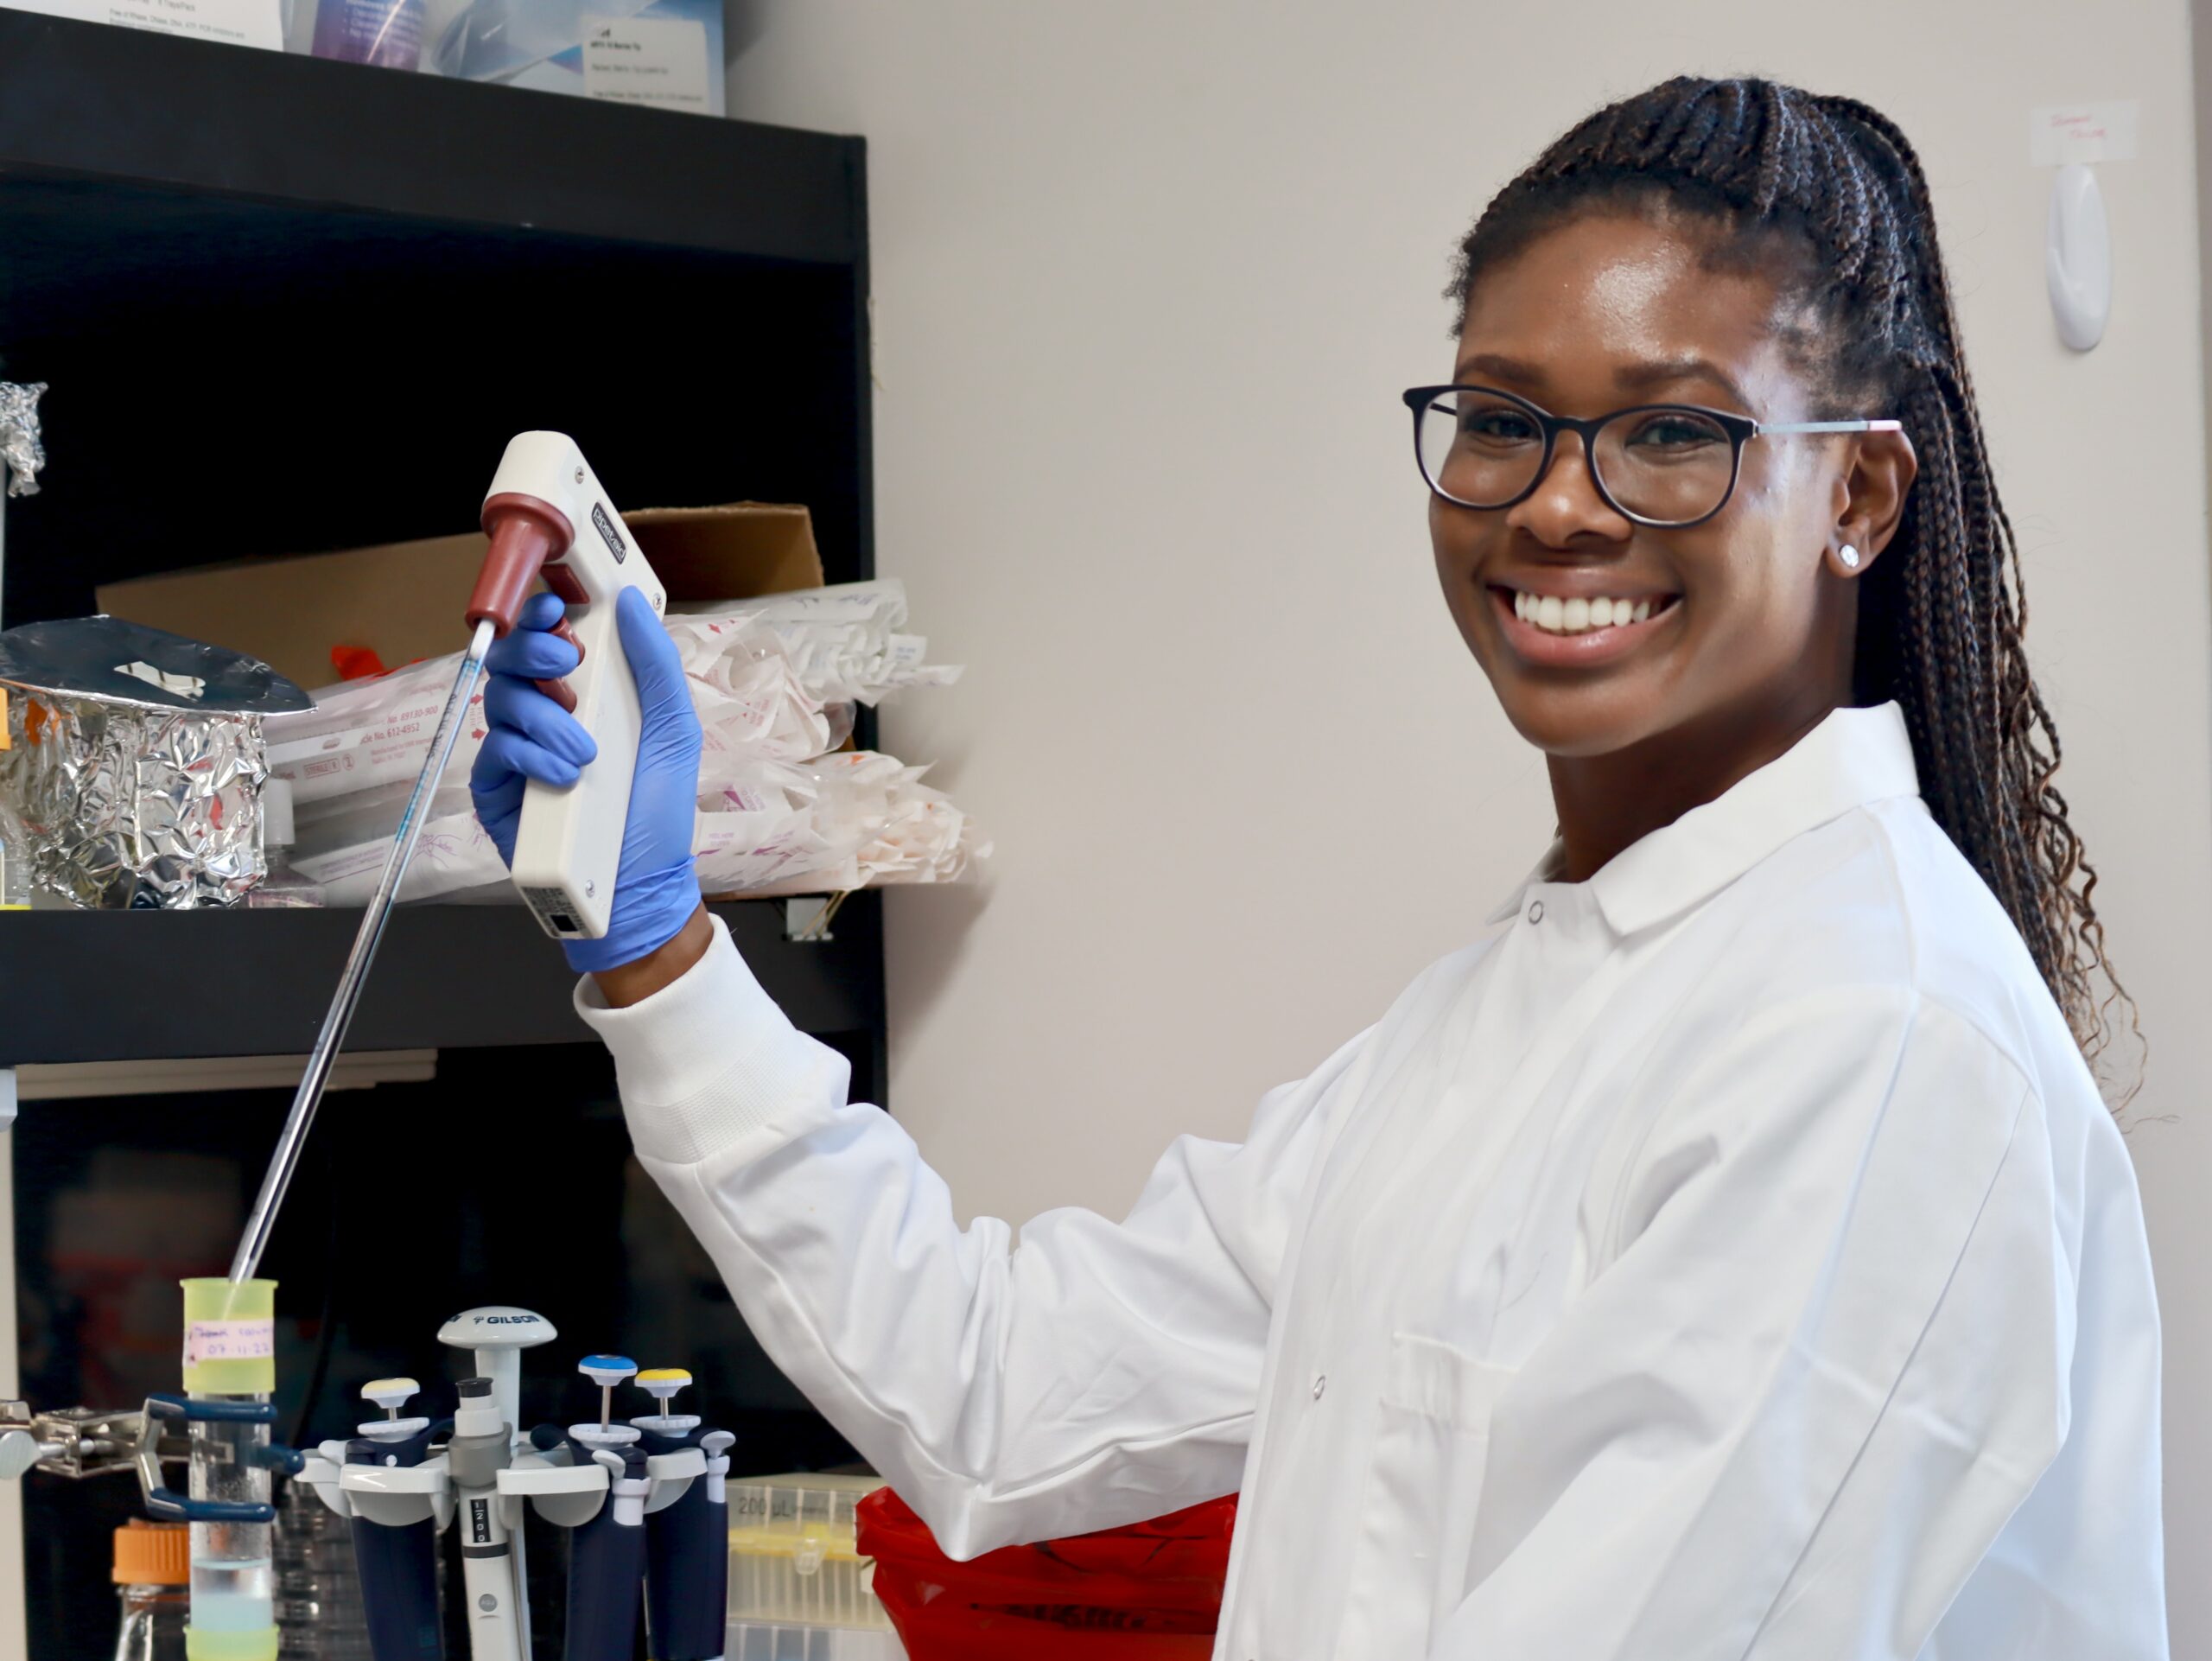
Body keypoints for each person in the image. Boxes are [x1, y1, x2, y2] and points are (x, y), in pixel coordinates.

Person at [469, 75, 2165, 1660]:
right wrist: (658, 949)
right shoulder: (1510, 1013)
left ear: (1856, 492)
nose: (1557, 510)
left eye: (1670, 434)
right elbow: (991, 1388)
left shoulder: (1872, 1036)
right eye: (1500, 419)